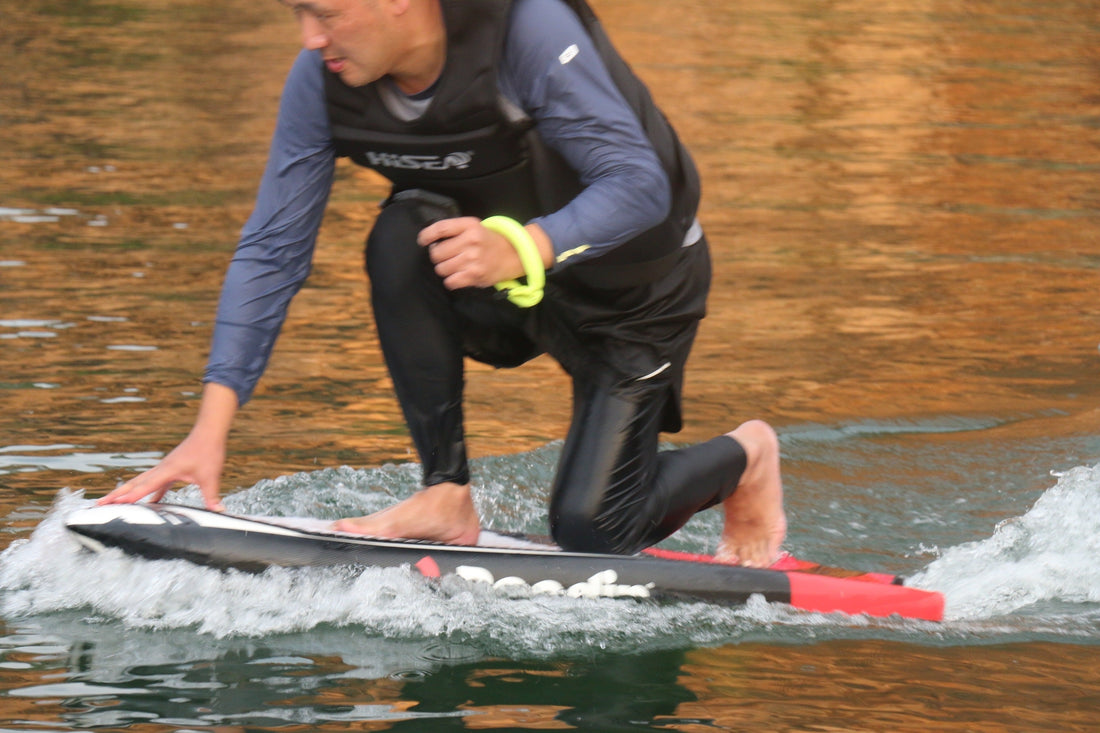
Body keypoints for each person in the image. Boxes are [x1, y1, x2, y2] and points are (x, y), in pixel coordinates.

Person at [98, 0, 786, 567]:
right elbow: (274, 249)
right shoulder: (321, 80)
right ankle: (445, 491)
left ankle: (744, 456)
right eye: (297, 14)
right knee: (402, 233)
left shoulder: (528, 32)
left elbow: (642, 186)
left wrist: (525, 243)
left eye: (324, 14)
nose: (310, 39)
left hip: (635, 294)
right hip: (501, 287)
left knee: (592, 530)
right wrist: (208, 430)